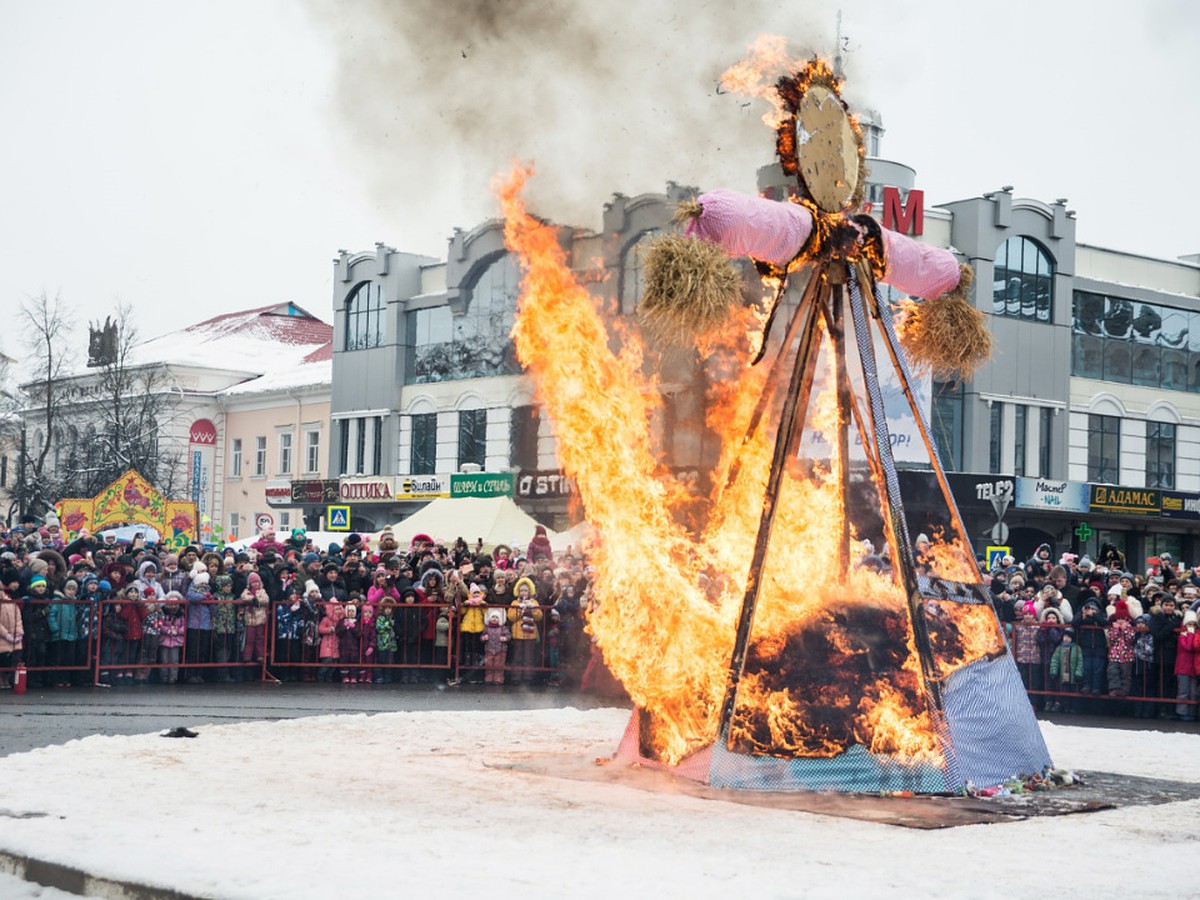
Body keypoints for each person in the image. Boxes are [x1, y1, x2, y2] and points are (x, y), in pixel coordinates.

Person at [507, 577, 543, 685]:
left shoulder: (534, 602)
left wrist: (533, 609)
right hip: (518, 633)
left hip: (530, 633)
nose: (523, 592)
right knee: (517, 656)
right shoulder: (514, 602)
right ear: (518, 592)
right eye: (521, 590)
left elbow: (539, 616)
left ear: (529, 592)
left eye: (525, 590)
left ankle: (528, 677)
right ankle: (516, 677)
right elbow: (511, 617)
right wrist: (519, 609)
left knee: (529, 656)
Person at [1105, 598, 1136, 699]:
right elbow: (1111, 638)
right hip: (1114, 654)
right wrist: (1117, 630)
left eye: (1122, 618)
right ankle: (1114, 689)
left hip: (1127, 655)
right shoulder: (1113, 627)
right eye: (1119, 618)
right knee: (1113, 672)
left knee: (1125, 673)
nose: (1120, 620)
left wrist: (1125, 630)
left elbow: (1130, 639)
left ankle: (1124, 690)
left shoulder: (1130, 627)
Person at [1048, 628, 1083, 713]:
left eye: (1068, 637)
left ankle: (1074, 707)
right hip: (1063, 675)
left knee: (1074, 691)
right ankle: (1066, 707)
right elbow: (1055, 660)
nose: (1066, 639)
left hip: (1073, 676)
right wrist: (1054, 672)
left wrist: (1078, 673)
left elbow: (1080, 661)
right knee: (1064, 691)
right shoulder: (1059, 648)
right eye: (1065, 636)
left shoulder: (1077, 648)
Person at [157, 591, 187, 685]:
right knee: (164, 660)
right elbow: (159, 624)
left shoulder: (180, 615)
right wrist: (167, 630)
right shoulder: (163, 614)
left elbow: (183, 627)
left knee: (174, 660)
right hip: (164, 639)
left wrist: (177, 631)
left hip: (176, 640)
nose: (173, 606)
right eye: (171, 604)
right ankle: (164, 678)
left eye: (175, 604)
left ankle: (173, 678)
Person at [1175, 610, 1198, 722]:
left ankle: (1192, 712)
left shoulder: (1195, 635)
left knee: (1193, 692)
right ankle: (1182, 712)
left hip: (1193, 668)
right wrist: (1190, 634)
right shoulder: (1183, 635)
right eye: (1189, 624)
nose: (1191, 627)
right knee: (1183, 691)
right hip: (1183, 667)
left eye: (1194, 624)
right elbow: (1188, 647)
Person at [0, 589, 24, 689]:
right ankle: (2, 679)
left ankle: (8, 679)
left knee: (14, 658)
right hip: (2, 638)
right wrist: (6, 635)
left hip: (14, 638)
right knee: (3, 658)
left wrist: (19, 634)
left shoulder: (12, 603)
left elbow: (18, 619)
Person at [481, 607, 510, 684]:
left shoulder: (503, 628)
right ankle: (489, 678)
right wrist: (484, 638)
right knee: (489, 664)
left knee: (499, 664)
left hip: (500, 649)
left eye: (497, 617)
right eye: (493, 617)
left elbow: (508, 636)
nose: (494, 619)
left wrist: (505, 638)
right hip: (489, 649)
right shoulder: (486, 628)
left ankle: (498, 678)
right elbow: (481, 637)